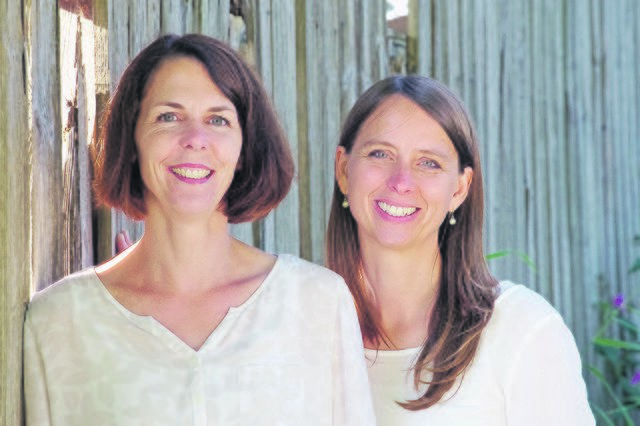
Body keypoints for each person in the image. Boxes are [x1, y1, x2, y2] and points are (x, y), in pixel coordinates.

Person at [23, 33, 375, 426]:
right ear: (132, 138)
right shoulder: (59, 323)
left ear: (244, 149)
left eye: (218, 119)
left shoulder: (318, 304)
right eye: (168, 117)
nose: (195, 140)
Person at [326, 75, 595, 425]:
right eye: (380, 154)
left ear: (460, 188)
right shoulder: (305, 332)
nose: (401, 182)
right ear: (344, 169)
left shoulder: (521, 331)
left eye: (429, 163)